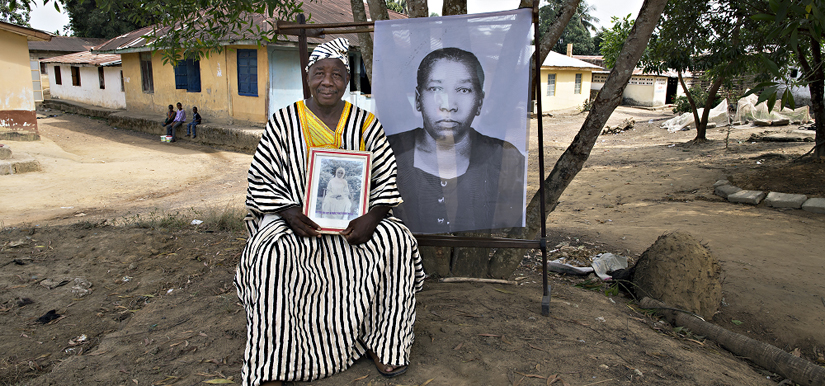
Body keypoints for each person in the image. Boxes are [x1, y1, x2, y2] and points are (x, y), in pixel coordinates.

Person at [234, 38, 425, 386]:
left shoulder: (366, 124)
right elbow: (261, 179)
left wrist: (373, 216)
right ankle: (273, 361)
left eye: (337, 75)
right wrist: (289, 212)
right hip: (294, 222)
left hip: (355, 223)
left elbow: (386, 179)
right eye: (320, 73)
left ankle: (386, 343)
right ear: (307, 77)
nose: (328, 81)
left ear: (347, 81)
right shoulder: (282, 122)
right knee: (271, 253)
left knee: (396, 241)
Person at [387, 47, 526, 234]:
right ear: (418, 99)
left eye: (463, 90)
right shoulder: (387, 152)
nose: (448, 106)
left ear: (480, 101)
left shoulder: (505, 159)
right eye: (436, 88)